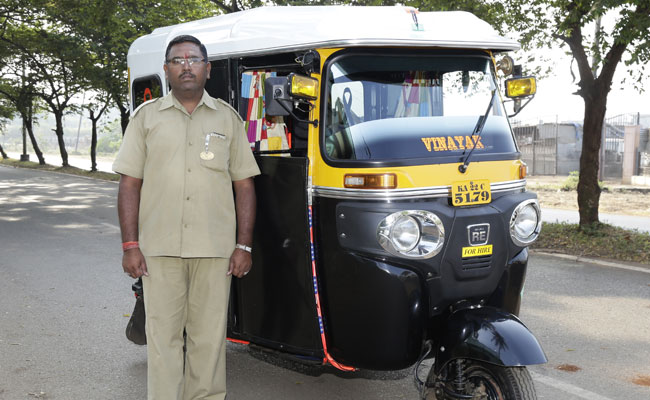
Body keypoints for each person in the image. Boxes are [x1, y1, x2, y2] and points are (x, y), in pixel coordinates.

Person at [113, 34, 260, 400]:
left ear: (207, 69)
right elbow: (129, 184)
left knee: (208, 339)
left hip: (215, 251)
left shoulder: (228, 119)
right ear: (166, 70)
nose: (186, 66)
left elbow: (244, 186)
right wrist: (131, 245)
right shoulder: (146, 119)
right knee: (162, 339)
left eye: (193, 59)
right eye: (177, 60)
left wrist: (244, 244)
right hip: (159, 250)